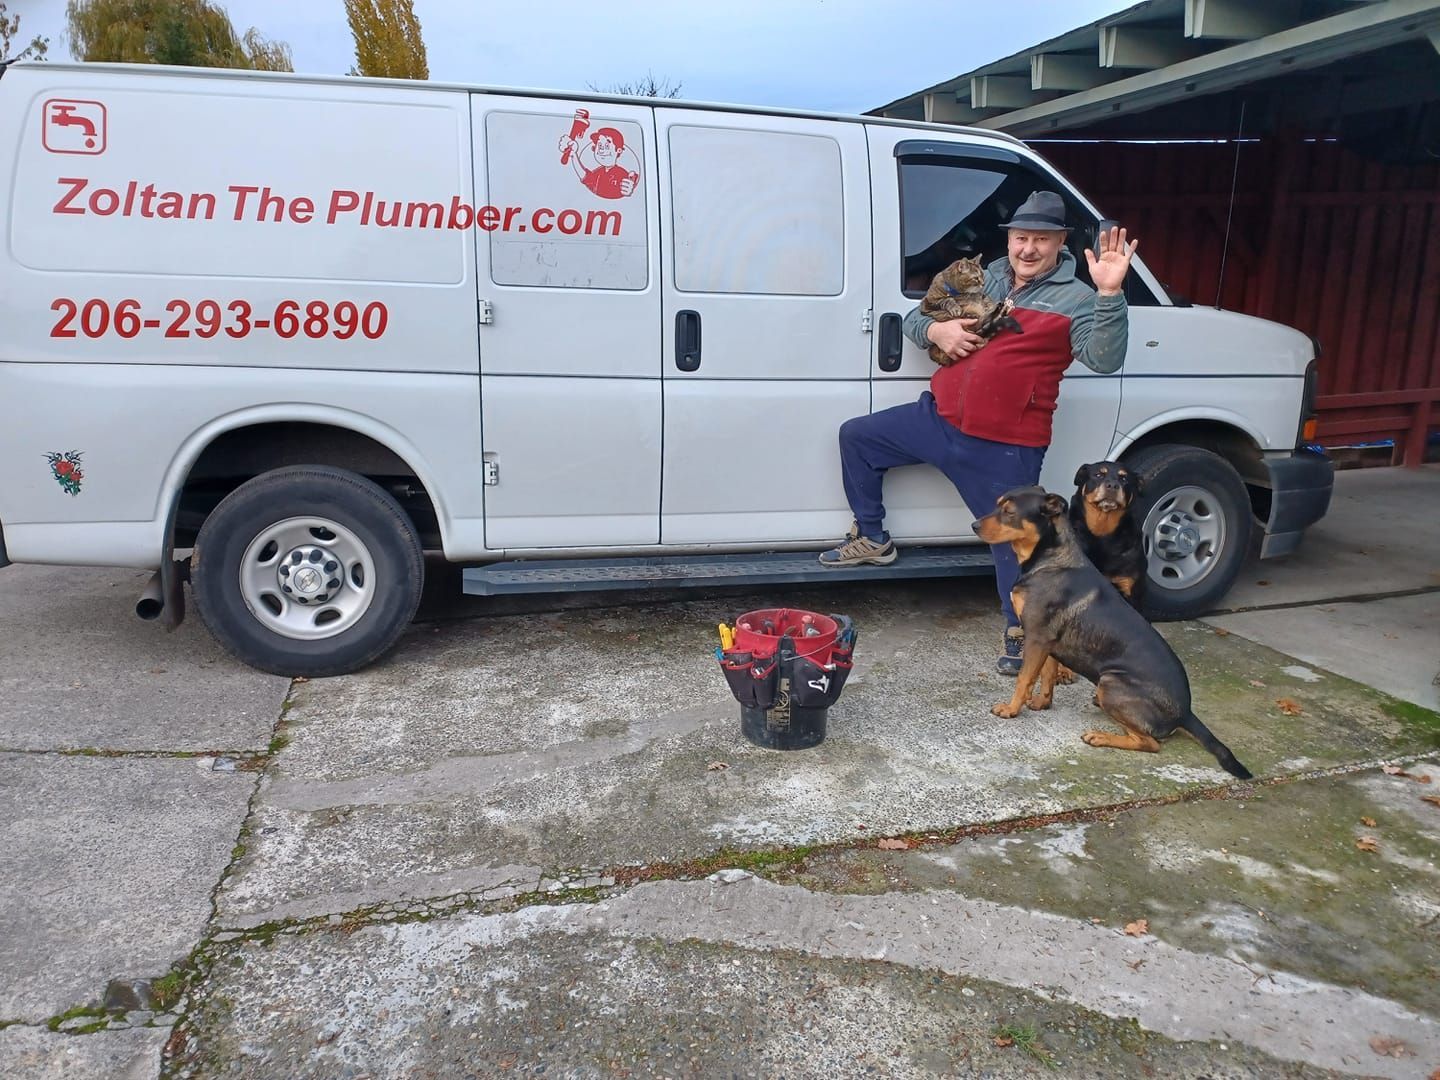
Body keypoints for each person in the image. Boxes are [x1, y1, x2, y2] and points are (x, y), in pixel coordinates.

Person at [818, 190, 1138, 675]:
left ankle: (1023, 634)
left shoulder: (1077, 298)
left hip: (1006, 444)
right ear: (1009, 240)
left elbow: (1105, 358)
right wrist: (935, 332)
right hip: (937, 419)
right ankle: (872, 537)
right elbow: (914, 316)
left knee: (1015, 544)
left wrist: (1110, 294)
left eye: (1041, 241)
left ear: (1060, 244)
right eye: (1021, 238)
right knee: (857, 437)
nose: (1028, 249)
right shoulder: (984, 277)